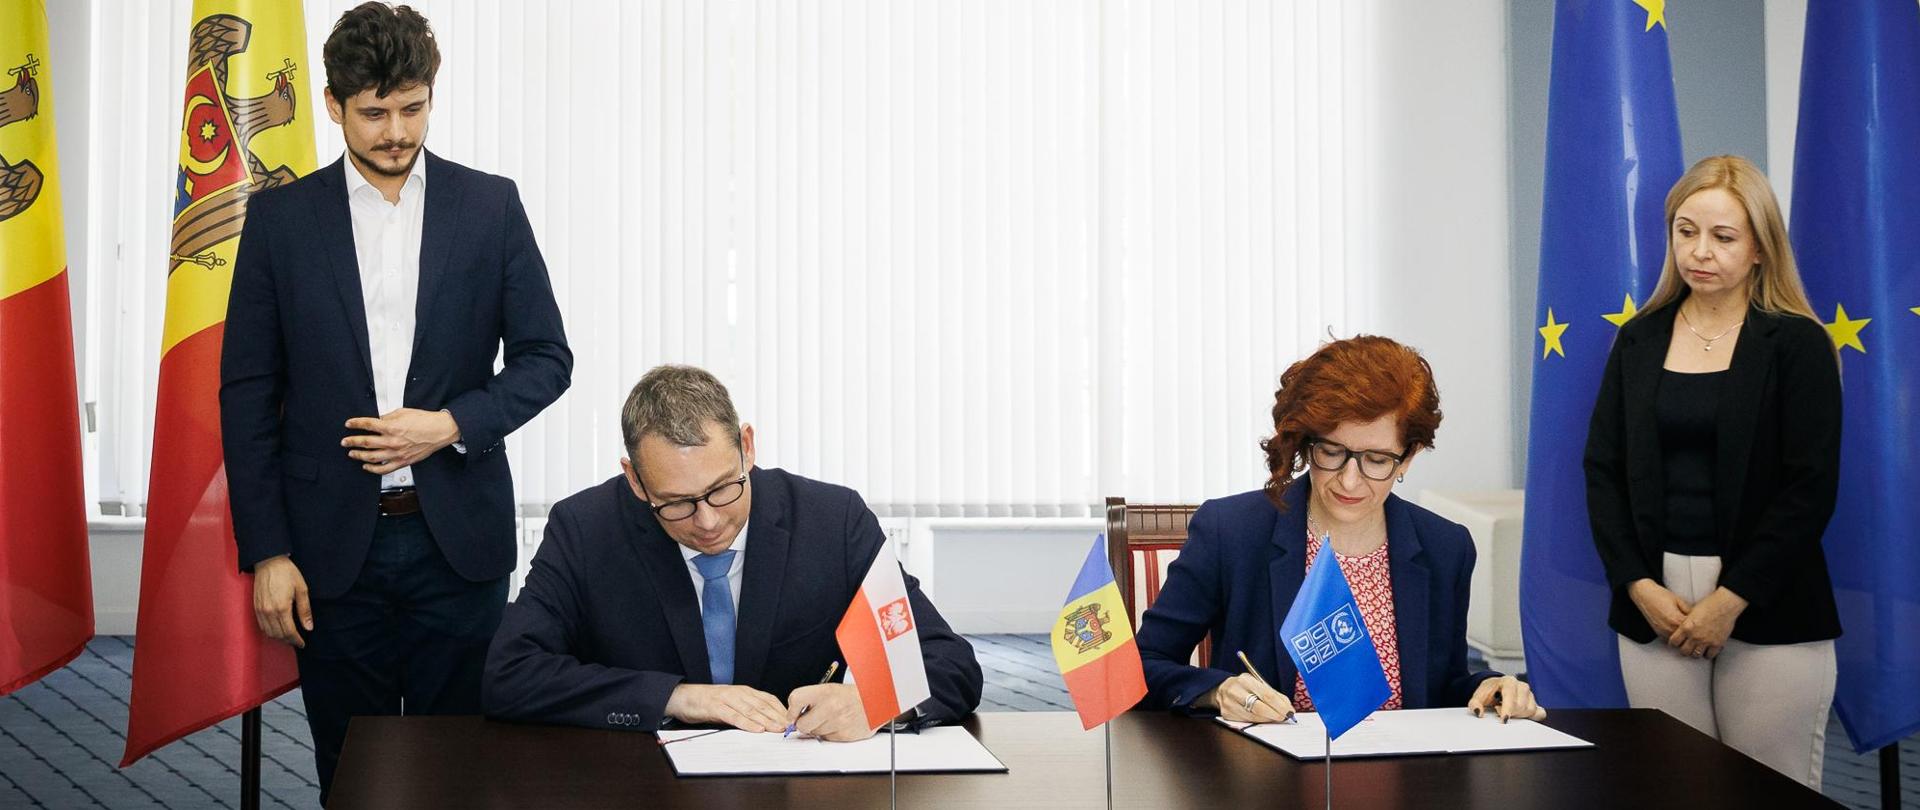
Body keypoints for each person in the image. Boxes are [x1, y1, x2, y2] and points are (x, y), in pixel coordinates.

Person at [220, 3, 571, 802]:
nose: (396, 131)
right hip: (329, 554)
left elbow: (548, 359)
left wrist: (452, 424)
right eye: (374, 112)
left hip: (459, 544)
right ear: (335, 103)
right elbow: (246, 394)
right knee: (352, 775)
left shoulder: (490, 207)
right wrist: (268, 552)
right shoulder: (279, 221)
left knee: (464, 769)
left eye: (412, 107)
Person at [484, 365, 982, 740]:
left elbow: (950, 662)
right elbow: (510, 674)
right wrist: (677, 697)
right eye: (676, 503)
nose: (707, 521)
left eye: (723, 489)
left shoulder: (833, 522)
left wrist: (874, 701)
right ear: (634, 479)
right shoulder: (586, 530)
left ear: (747, 446)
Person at [1584, 155, 1840, 787]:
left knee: (1769, 788)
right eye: (1686, 230)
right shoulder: (1639, 340)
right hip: (1656, 603)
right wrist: (1636, 586)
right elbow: (1603, 472)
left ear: (1759, 247)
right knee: (1675, 787)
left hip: (1768, 595)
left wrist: (1732, 599)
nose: (1700, 251)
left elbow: (1809, 489)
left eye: (1723, 237)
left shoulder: (1797, 344)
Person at [1135, 336, 1541, 724]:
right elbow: (1143, 665)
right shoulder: (1233, 531)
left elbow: (1442, 686)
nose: (1349, 481)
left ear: (1408, 457)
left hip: (1408, 779)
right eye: (1331, 452)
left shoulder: (1444, 547)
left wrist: (1490, 687)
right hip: (1267, 779)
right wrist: (1217, 691)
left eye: (1377, 460)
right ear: (1306, 444)